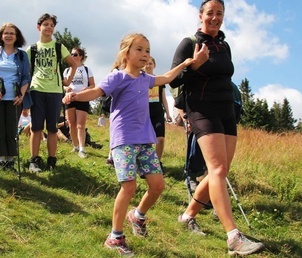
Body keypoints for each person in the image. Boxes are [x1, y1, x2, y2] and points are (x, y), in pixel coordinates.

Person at [63, 33, 203, 256]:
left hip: (145, 139)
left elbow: (166, 78)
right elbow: (96, 92)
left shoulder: (146, 79)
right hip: (124, 140)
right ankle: (115, 237)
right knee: (129, 187)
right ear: (126, 53)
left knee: (157, 186)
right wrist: (74, 97)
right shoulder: (117, 77)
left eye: (147, 50)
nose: (145, 54)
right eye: (139, 49)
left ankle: (137, 216)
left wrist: (185, 64)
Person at [169, 0, 264, 256]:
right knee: (218, 169)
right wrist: (195, 64)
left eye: (219, 13)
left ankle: (188, 215)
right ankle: (233, 236)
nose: (215, 17)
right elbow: (173, 80)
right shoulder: (189, 43)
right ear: (200, 15)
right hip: (201, 108)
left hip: (226, 110)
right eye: (210, 13)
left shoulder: (224, 45)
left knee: (219, 172)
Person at [26, 13, 77, 172]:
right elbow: (27, 72)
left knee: (53, 128)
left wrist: (68, 81)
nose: (49, 27)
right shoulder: (32, 49)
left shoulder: (58, 47)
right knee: (36, 127)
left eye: (52, 25)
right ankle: (34, 159)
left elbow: (73, 64)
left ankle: (51, 159)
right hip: (36, 90)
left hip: (55, 92)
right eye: (45, 24)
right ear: (38, 27)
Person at [0, 22, 30, 171]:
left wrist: (21, 95)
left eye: (12, 33)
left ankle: (10, 162)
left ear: (17, 37)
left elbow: (26, 78)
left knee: (11, 130)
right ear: (1, 36)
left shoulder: (22, 55)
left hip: (15, 99)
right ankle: (0, 161)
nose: (9, 36)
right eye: (6, 33)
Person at [63, 47, 95, 158]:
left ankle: (82, 148)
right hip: (69, 98)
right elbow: (63, 84)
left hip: (82, 98)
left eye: (75, 54)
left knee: (80, 125)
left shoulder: (87, 70)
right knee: (71, 124)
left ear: (80, 56)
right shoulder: (67, 70)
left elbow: (92, 85)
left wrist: (84, 91)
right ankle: (75, 146)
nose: (72, 56)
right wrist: (66, 89)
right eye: (71, 54)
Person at [144, 56, 172, 167]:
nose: (148, 65)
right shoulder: (140, 79)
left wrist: (168, 113)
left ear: (154, 65)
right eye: (146, 63)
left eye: (150, 63)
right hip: (144, 112)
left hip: (158, 112)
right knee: (147, 140)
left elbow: (164, 98)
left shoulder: (159, 80)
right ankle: (146, 163)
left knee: (160, 139)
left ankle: (157, 163)